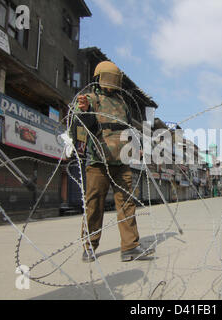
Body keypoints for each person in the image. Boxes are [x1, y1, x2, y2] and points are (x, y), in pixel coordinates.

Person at [73, 61, 154, 263]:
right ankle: (89, 246)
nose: (112, 81)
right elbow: (83, 126)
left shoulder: (122, 103)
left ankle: (130, 247)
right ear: (99, 78)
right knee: (94, 205)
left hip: (121, 162)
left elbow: (127, 129)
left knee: (127, 205)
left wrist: (138, 147)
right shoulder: (88, 99)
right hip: (98, 161)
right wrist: (83, 111)